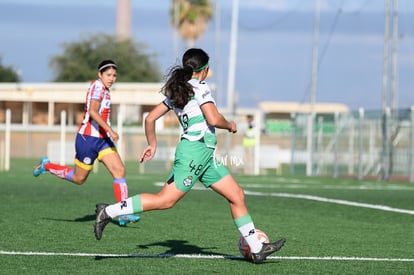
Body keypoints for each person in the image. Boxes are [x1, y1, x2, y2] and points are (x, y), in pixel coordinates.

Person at [93, 49, 286, 263]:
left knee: (236, 195)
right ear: (204, 70)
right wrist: (230, 124)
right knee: (165, 200)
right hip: (194, 153)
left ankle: (257, 248)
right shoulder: (200, 87)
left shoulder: (179, 89)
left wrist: (152, 144)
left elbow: (150, 119)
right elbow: (213, 118)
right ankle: (108, 211)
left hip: (205, 156)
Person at [33, 60, 140, 226]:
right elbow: (92, 112)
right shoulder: (97, 87)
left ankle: (124, 213)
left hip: (103, 140)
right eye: (108, 75)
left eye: (114, 75)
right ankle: (46, 166)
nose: (112, 78)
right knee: (79, 178)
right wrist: (111, 131)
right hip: (88, 139)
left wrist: (107, 133)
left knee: (119, 170)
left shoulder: (105, 89)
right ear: (100, 74)